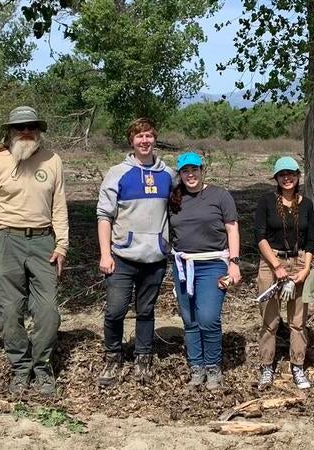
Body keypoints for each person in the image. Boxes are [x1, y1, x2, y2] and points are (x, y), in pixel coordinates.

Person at [0, 106, 67, 396]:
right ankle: (20, 368)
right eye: (19, 128)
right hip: (6, 240)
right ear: (10, 132)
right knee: (10, 309)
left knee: (48, 311)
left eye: (30, 127)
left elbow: (60, 208)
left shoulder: (52, 161)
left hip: (43, 242)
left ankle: (42, 368)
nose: (25, 132)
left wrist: (62, 245)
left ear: (39, 130)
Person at [95, 118, 176, 387]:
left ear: (155, 139)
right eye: (139, 136)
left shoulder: (169, 175)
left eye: (149, 136)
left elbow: (178, 210)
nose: (144, 141)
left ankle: (143, 357)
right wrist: (105, 254)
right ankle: (113, 357)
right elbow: (104, 216)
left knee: (146, 310)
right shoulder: (117, 173)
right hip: (121, 256)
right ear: (131, 141)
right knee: (116, 311)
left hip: (154, 258)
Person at [169, 152, 241, 391]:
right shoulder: (174, 199)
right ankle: (196, 368)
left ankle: (213, 367)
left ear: (202, 170)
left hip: (212, 264)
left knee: (208, 318)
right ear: (180, 174)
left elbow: (232, 229)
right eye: (185, 171)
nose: (190, 175)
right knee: (190, 321)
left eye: (194, 169)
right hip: (183, 266)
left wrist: (234, 262)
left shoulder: (220, 196)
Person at [253, 156, 314, 390]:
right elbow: (259, 236)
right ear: (276, 178)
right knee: (270, 320)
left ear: (298, 176)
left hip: (298, 262)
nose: (287, 178)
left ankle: (297, 366)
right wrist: (276, 267)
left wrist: (306, 267)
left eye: (291, 174)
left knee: (298, 321)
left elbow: (310, 240)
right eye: (282, 175)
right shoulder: (267, 201)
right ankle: (266, 366)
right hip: (272, 262)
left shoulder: (306, 204)